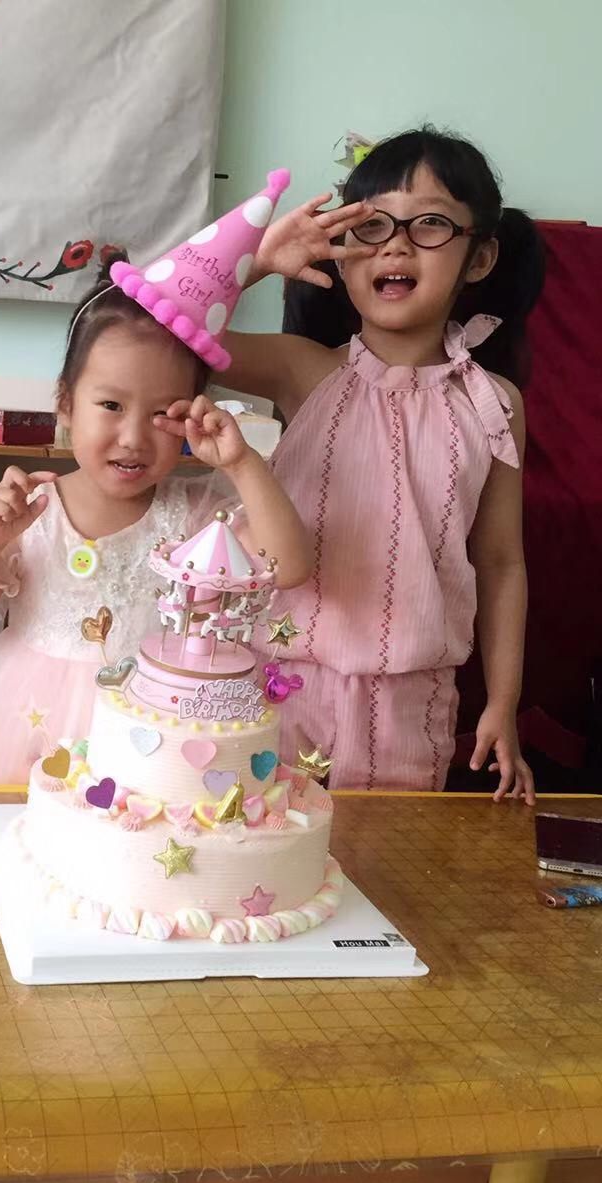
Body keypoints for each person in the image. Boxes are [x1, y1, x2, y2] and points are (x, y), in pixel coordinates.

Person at [227, 127, 545, 800]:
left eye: (429, 223)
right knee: (265, 850)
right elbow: (155, 332)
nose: (395, 244)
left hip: (412, 707)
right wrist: (258, 259)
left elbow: (500, 562)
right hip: (279, 687)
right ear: (340, 254)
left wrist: (503, 704)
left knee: (387, 860)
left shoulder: (495, 404)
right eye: (371, 226)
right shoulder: (302, 370)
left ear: (481, 256)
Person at [0, 266, 311, 783]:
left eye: (160, 413)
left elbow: (288, 567)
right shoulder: (30, 511)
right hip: (25, 728)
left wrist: (242, 463)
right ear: (65, 403)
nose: (132, 437)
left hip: (149, 737)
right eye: (111, 405)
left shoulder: (197, 515)